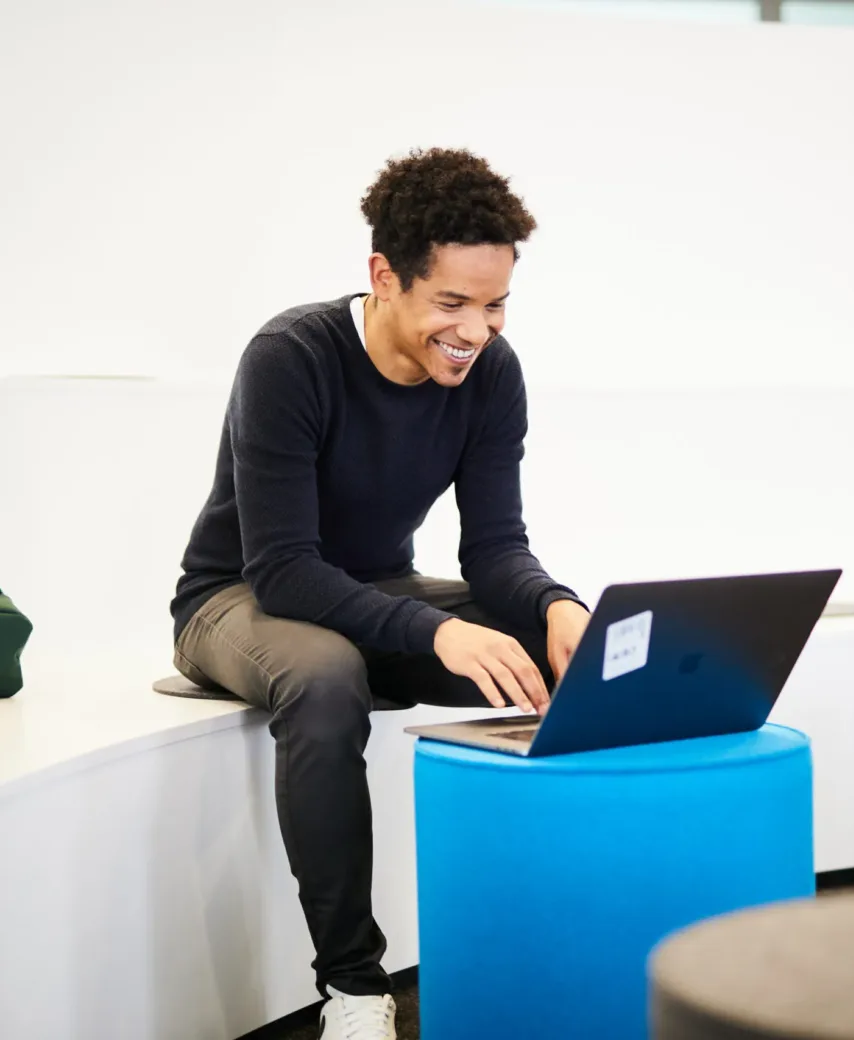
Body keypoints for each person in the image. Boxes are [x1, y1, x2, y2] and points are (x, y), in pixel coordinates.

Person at [169, 147, 589, 1040]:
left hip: (373, 589)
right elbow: (282, 568)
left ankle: (572, 936)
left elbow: (496, 549)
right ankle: (355, 991)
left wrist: (556, 606)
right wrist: (436, 636)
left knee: (564, 656)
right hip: (237, 596)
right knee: (325, 680)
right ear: (384, 277)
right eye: (452, 303)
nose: (475, 331)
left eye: (495, 305)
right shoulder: (292, 356)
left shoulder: (491, 376)